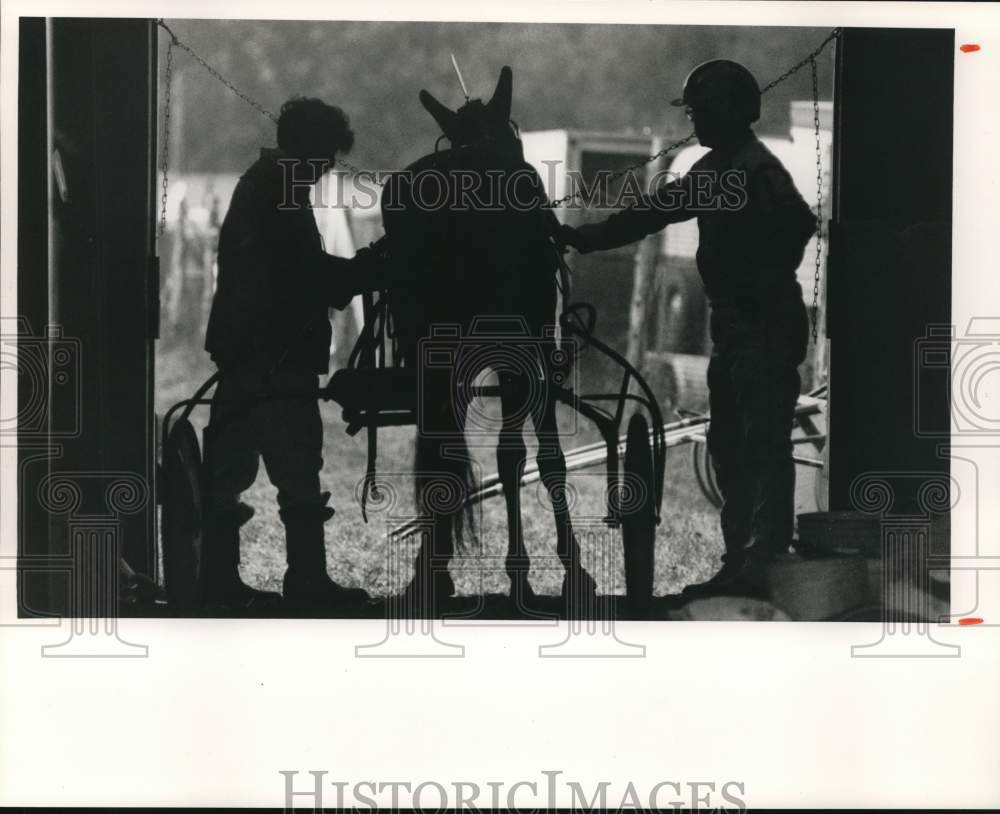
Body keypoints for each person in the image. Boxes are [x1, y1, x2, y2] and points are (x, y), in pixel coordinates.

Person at [560, 60, 816, 593]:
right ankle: (740, 559)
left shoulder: (753, 169)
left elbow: (799, 224)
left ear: (728, 111)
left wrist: (757, 274)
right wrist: (584, 237)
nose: (693, 120)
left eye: (700, 111)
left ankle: (764, 560)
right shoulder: (715, 168)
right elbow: (654, 212)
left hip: (763, 324)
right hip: (737, 325)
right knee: (728, 442)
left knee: (761, 442)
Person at [202, 96, 381, 605]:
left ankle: (219, 580)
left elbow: (301, 270)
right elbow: (306, 275)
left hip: (252, 352)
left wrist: (354, 271)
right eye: (324, 156)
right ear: (305, 146)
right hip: (272, 357)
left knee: (232, 469)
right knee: (296, 466)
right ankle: (305, 582)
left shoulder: (269, 184)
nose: (326, 169)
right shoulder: (278, 189)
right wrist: (368, 268)